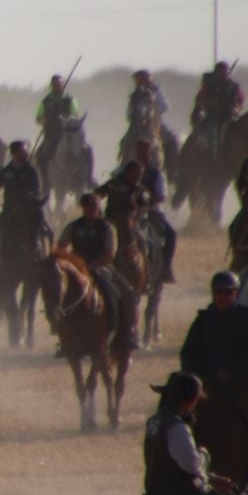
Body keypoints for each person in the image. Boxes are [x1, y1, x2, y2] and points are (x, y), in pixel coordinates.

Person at [57, 192, 136, 352]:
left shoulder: (107, 228)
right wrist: (70, 264)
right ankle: (63, 339)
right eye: (89, 207)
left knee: (128, 292)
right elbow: (60, 247)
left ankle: (130, 333)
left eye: (95, 207)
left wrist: (91, 266)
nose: (93, 210)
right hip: (77, 270)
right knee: (58, 298)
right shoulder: (73, 227)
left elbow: (110, 255)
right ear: (84, 208)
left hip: (102, 269)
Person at [100, 142, 176, 283]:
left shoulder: (156, 174)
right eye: (140, 151)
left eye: (146, 152)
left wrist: (145, 200)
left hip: (149, 213)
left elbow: (161, 196)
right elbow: (103, 190)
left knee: (170, 234)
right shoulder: (121, 173)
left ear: (150, 153)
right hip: (117, 215)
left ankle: (165, 269)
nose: (142, 154)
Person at [0, 141, 47, 278]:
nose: (25, 154)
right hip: (10, 209)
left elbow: (37, 190)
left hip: (29, 208)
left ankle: (46, 263)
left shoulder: (31, 171)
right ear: (14, 154)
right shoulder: (6, 172)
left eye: (25, 151)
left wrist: (30, 195)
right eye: (22, 152)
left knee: (45, 230)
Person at [125, 69, 180, 165]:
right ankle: (124, 166)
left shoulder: (156, 90)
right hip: (136, 125)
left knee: (172, 139)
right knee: (125, 142)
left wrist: (154, 114)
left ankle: (173, 167)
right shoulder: (135, 95)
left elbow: (165, 106)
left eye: (140, 79)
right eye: (137, 79)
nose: (137, 82)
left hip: (155, 122)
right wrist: (135, 117)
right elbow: (129, 113)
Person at [191, 62, 245, 156]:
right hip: (212, 117)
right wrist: (212, 102)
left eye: (224, 73)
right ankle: (211, 156)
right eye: (220, 73)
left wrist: (236, 108)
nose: (222, 76)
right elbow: (199, 100)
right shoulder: (209, 85)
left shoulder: (234, 87)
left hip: (230, 117)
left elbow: (240, 100)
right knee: (209, 135)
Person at [35, 73, 80, 162]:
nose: (57, 87)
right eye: (54, 85)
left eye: (59, 85)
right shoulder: (45, 101)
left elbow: (76, 116)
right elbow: (38, 119)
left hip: (68, 134)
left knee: (86, 151)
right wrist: (44, 122)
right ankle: (44, 175)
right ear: (51, 86)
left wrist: (68, 120)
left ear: (63, 85)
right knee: (40, 154)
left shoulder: (70, 100)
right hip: (51, 135)